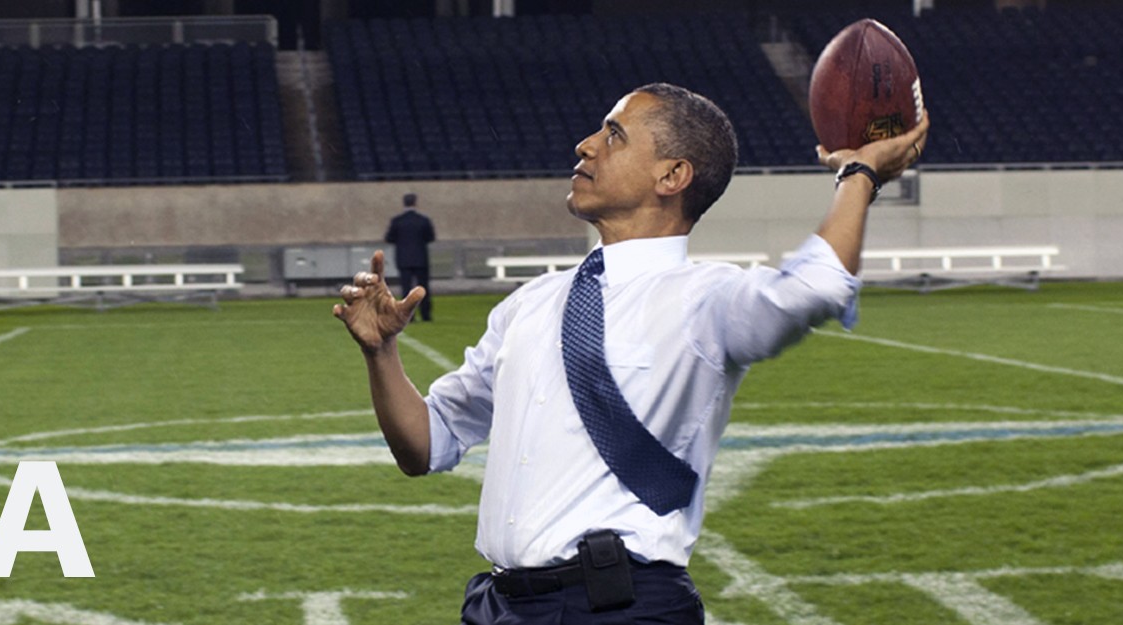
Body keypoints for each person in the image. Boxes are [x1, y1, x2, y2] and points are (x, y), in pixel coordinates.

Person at [332, 82, 928, 624]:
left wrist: (859, 174)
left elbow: (817, 285)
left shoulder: (706, 300)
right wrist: (382, 353)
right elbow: (426, 445)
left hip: (621, 608)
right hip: (498, 607)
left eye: (614, 134)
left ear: (672, 176)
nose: (586, 145)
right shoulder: (529, 302)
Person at [385, 193, 437, 322]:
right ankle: (426, 315)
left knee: (406, 289)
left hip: (404, 259)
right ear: (415, 203)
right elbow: (430, 237)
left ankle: (408, 316)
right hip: (420, 258)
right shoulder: (423, 220)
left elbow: (389, 238)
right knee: (423, 288)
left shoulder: (397, 221)